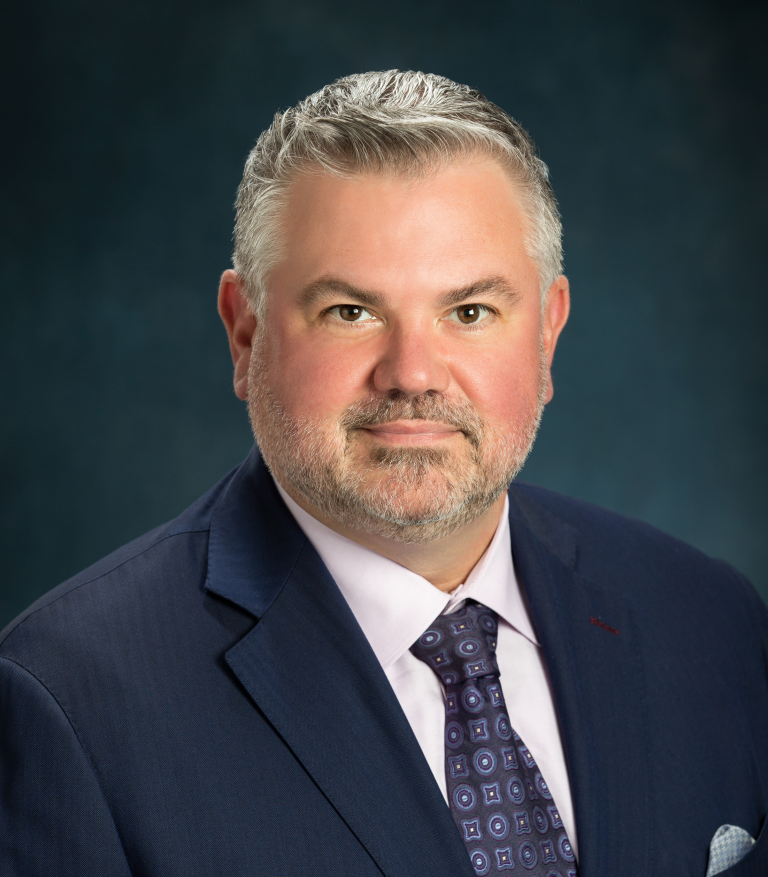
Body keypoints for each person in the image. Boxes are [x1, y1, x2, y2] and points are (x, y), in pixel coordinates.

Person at [1, 70, 766, 877]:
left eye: (469, 312)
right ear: (245, 333)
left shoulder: (711, 622)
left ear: (546, 335)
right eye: (350, 312)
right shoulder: (64, 703)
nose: (411, 374)